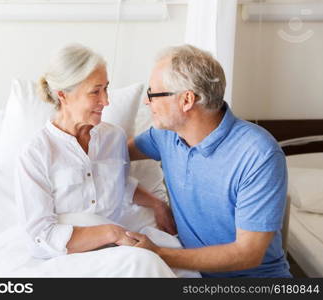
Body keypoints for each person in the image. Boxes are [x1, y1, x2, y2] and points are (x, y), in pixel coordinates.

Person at [126, 44, 292, 278]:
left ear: (186, 100)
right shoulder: (166, 135)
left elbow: (248, 253)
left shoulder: (258, 155)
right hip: (193, 275)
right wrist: (154, 202)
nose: (146, 102)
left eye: (153, 94)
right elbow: (114, 154)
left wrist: (157, 253)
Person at [15, 43, 176, 260]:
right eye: (95, 92)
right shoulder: (35, 154)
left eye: (106, 89)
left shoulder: (114, 138)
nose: (106, 101)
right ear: (63, 95)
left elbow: (116, 184)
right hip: (65, 256)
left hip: (116, 248)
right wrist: (111, 233)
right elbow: (39, 238)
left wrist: (158, 204)